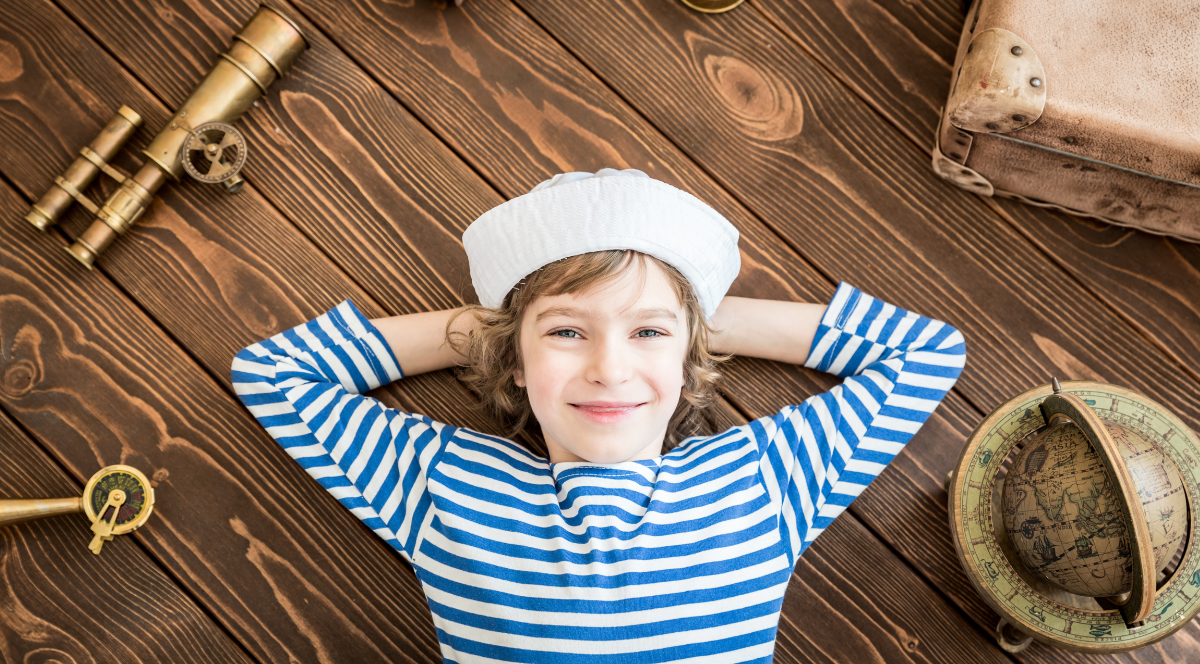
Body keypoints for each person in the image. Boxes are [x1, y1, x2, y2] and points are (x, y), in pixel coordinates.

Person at [231, 169, 965, 663]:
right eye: (565, 332)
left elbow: (928, 352)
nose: (609, 368)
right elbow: (270, 372)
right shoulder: (445, 484)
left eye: (646, 334)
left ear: (687, 356)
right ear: (515, 360)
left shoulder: (762, 480)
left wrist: (698, 318)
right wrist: (497, 323)